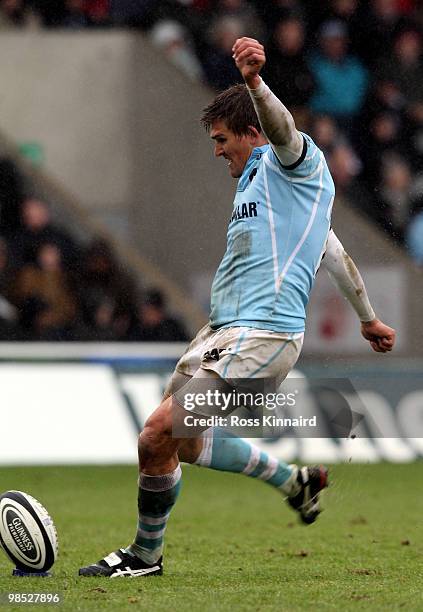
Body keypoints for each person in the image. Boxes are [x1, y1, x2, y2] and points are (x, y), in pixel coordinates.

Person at [79, 37, 396, 578]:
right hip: (221, 332)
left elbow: (283, 129)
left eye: (222, 139)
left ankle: (144, 557)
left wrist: (254, 83)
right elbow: (332, 250)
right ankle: (292, 481)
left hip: (262, 334)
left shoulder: (296, 162)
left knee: (156, 431)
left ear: (251, 133)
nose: (217, 149)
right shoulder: (266, 187)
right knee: (175, 445)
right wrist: (366, 316)